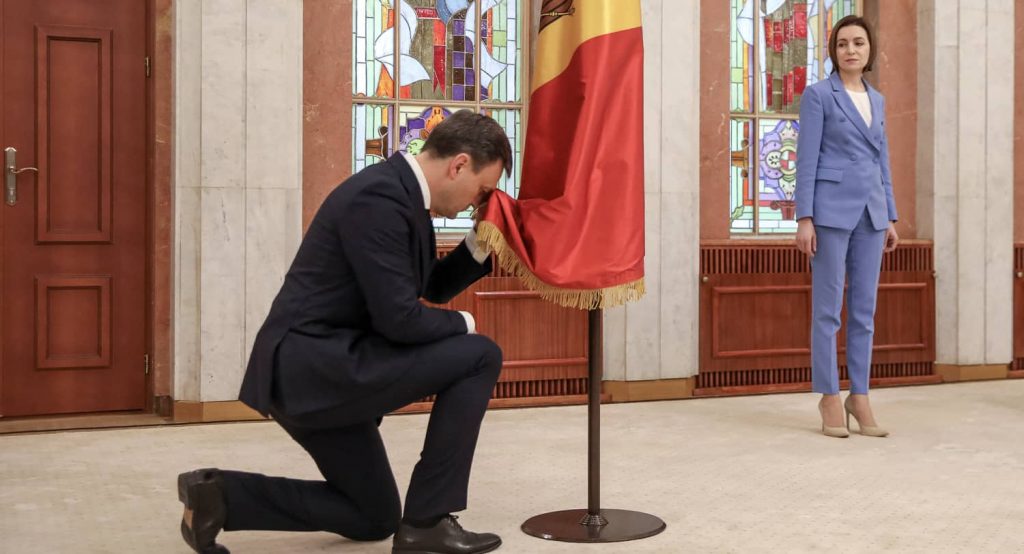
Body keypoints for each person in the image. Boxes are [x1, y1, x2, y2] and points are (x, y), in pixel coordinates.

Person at [176, 110, 512, 554]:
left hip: (322, 368)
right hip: (312, 369)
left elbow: (432, 284)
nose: (478, 202)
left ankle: (218, 498)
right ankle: (429, 523)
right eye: (483, 190)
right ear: (459, 165)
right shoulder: (378, 199)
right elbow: (400, 321)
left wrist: (481, 241)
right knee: (479, 354)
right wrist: (466, 325)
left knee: (373, 515)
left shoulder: (401, 196)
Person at [794, 16, 898, 439]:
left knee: (864, 313)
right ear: (834, 51)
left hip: (872, 215)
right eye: (842, 44)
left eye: (858, 43)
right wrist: (805, 217)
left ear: (870, 49)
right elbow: (806, 158)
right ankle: (828, 395)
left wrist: (890, 214)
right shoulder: (819, 96)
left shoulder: (878, 99)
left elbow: (882, 161)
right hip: (831, 212)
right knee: (827, 310)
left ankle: (860, 394)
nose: (851, 50)